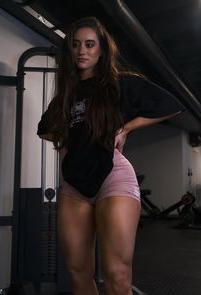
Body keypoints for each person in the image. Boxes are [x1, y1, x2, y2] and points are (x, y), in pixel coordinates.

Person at [37, 17, 184, 295]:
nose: (82, 51)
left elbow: (171, 105)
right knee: (77, 272)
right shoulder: (66, 95)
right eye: (76, 45)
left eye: (89, 45)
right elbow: (45, 129)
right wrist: (67, 145)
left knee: (116, 273)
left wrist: (127, 127)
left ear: (101, 50)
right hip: (74, 186)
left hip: (112, 176)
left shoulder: (119, 84)